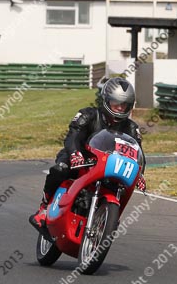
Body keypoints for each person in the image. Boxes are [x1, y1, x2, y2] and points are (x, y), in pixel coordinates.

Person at [29, 77, 146, 231]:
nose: (119, 108)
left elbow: (138, 152)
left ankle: (109, 218)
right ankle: (44, 208)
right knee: (60, 169)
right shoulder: (88, 114)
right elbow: (73, 136)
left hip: (108, 166)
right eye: (116, 103)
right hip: (80, 158)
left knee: (124, 187)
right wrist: (75, 153)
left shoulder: (131, 128)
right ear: (106, 99)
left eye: (124, 105)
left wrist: (140, 173)